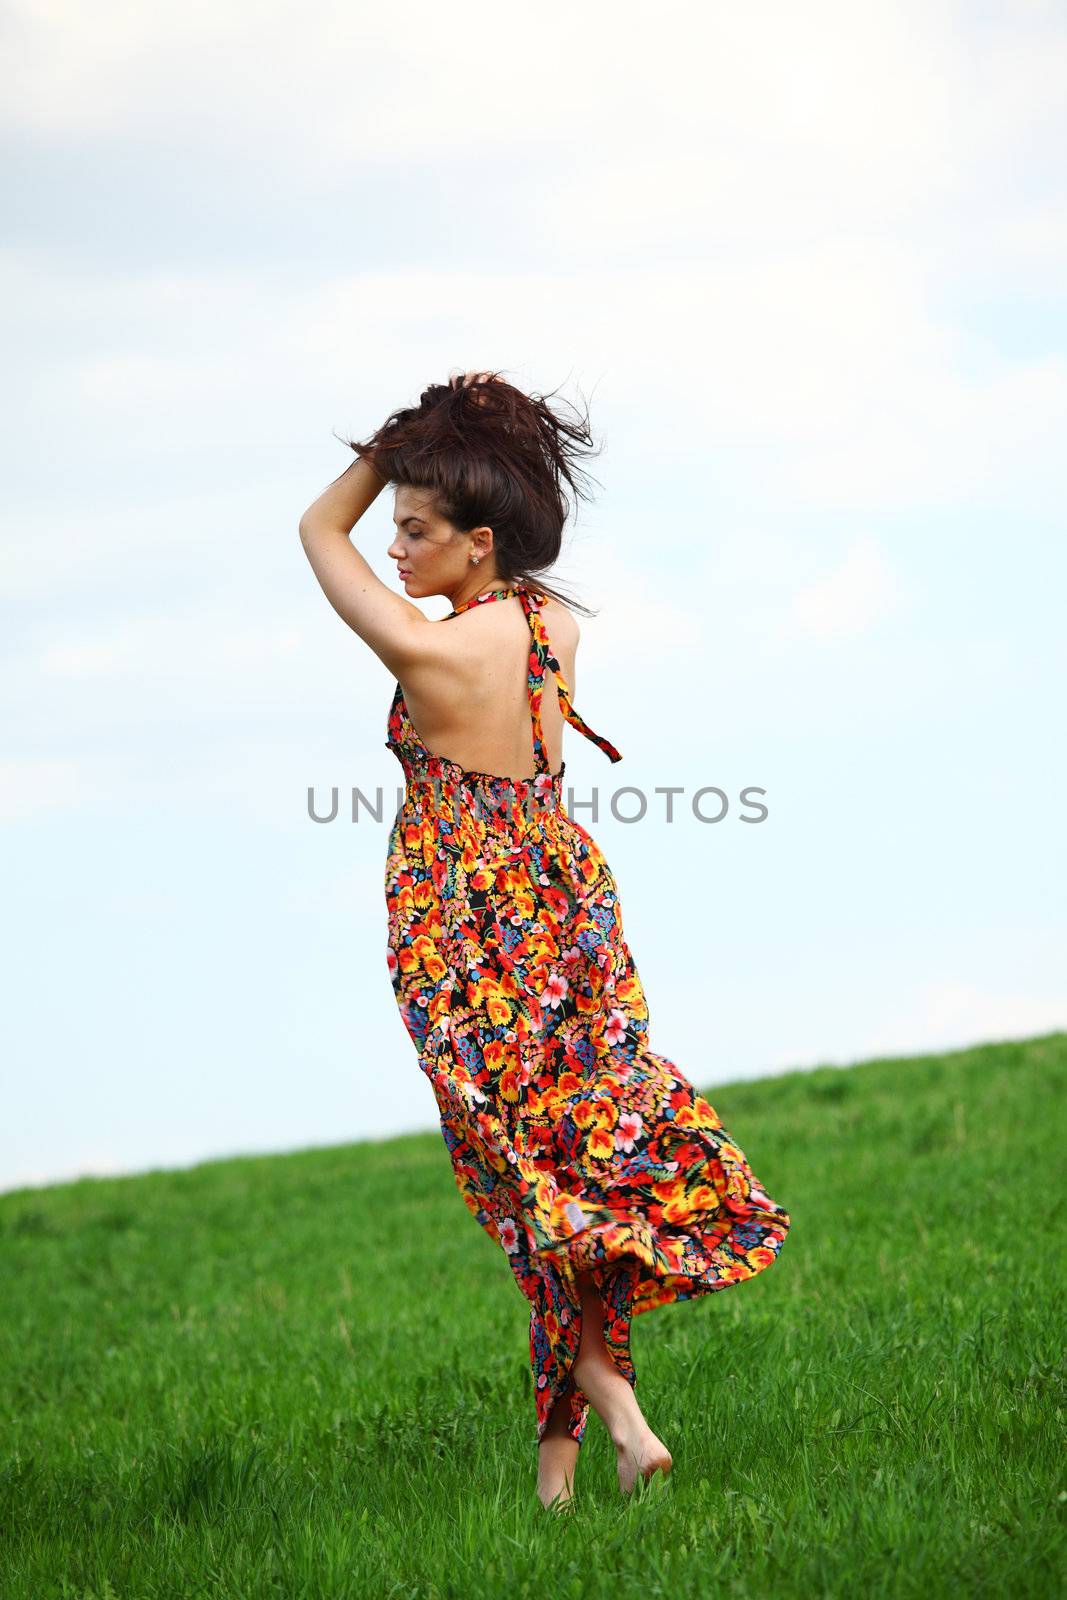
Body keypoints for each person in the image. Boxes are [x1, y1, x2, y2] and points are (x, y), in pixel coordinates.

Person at [298, 370, 791, 1512]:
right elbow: (425, 549)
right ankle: (558, 1482)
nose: (395, 550)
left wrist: (389, 444)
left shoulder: (429, 653)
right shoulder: (549, 623)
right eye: (394, 533)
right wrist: (443, 446)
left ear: (476, 543)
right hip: (566, 903)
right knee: (563, 1175)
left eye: (415, 533)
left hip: (463, 928)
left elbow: (315, 528)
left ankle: (619, 1414)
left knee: (523, 1192)